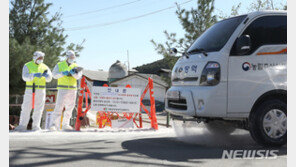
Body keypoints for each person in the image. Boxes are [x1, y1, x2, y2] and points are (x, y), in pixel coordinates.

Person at [14, 51, 52, 131]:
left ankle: (36, 126)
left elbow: (50, 79)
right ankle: (22, 125)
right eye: (39, 58)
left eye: (42, 58)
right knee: (26, 107)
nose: (41, 60)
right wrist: (33, 75)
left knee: (39, 108)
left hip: (41, 90)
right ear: (35, 57)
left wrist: (47, 76)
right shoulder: (27, 65)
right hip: (30, 89)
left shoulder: (45, 67)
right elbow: (24, 77)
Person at [49, 50, 82, 131]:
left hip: (72, 89)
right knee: (59, 106)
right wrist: (62, 73)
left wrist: (73, 73)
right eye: (70, 57)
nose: (72, 58)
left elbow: (78, 76)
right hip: (62, 89)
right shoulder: (59, 65)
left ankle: (65, 124)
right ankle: (54, 125)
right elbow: (54, 75)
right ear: (66, 57)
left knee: (70, 107)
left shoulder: (76, 66)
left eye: (73, 57)